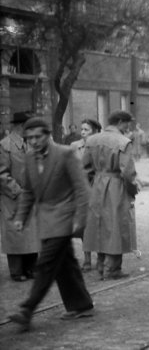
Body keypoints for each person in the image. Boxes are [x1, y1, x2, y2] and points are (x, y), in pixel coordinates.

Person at [7, 118, 93, 331]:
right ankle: (81, 304)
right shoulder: (29, 157)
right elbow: (28, 191)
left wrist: (80, 220)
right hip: (45, 219)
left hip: (65, 218)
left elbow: (82, 189)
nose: (34, 141)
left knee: (45, 264)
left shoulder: (65, 154)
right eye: (29, 138)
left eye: (38, 136)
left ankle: (27, 309)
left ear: (47, 135)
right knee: (65, 264)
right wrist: (20, 217)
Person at [82, 111, 139, 280]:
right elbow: (128, 173)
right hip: (116, 186)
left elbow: (84, 168)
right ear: (120, 122)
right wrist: (133, 190)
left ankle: (100, 266)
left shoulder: (92, 140)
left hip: (97, 185)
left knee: (99, 225)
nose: (128, 127)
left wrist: (93, 185)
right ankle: (112, 269)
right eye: (127, 123)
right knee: (116, 226)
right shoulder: (123, 142)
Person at [0, 112, 38, 282]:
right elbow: (2, 173)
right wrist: (17, 190)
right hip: (13, 197)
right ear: (20, 126)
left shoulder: (32, 143)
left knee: (32, 233)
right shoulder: (5, 145)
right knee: (15, 233)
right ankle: (16, 271)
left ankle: (31, 268)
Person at [70, 118, 102, 272]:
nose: (83, 132)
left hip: (97, 188)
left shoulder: (100, 146)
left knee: (99, 224)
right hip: (81, 191)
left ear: (95, 131)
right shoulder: (74, 147)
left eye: (86, 130)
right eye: (82, 129)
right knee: (84, 225)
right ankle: (87, 259)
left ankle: (101, 259)